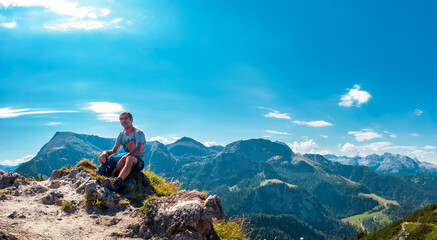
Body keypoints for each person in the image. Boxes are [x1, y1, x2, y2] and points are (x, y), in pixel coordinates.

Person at [98, 111, 146, 192]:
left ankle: (117, 182)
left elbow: (138, 149)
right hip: (126, 157)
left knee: (129, 158)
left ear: (131, 120)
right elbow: (114, 151)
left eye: (126, 118)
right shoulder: (121, 134)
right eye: (121, 119)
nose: (123, 120)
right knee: (102, 158)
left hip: (138, 161)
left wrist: (124, 157)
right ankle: (103, 176)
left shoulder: (138, 133)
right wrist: (104, 152)